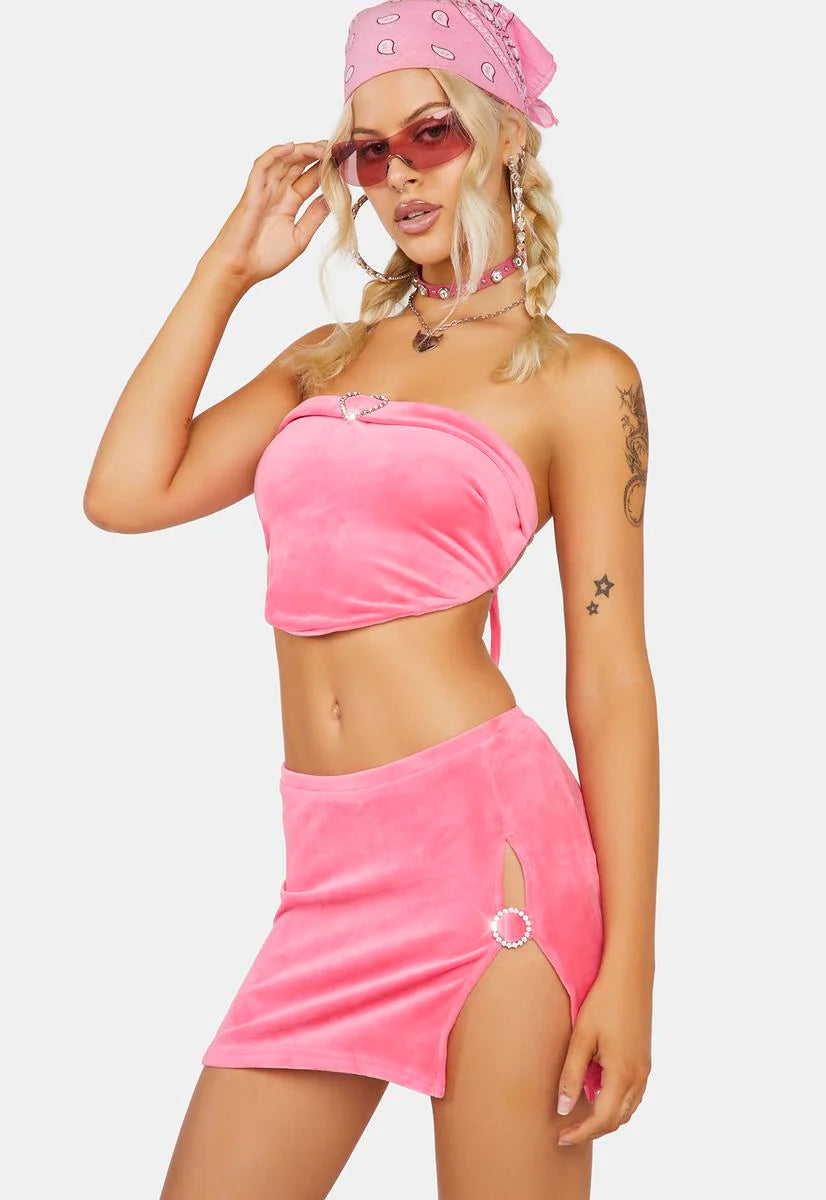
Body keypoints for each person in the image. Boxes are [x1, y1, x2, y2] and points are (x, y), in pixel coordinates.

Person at [83, 2, 659, 1196]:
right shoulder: (327, 358)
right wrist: (226, 269)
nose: (397, 175)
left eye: (431, 134)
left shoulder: (580, 379)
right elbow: (127, 492)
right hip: (329, 870)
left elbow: (609, 678)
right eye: (366, 150)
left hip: (493, 860)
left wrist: (633, 973)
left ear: (505, 137)